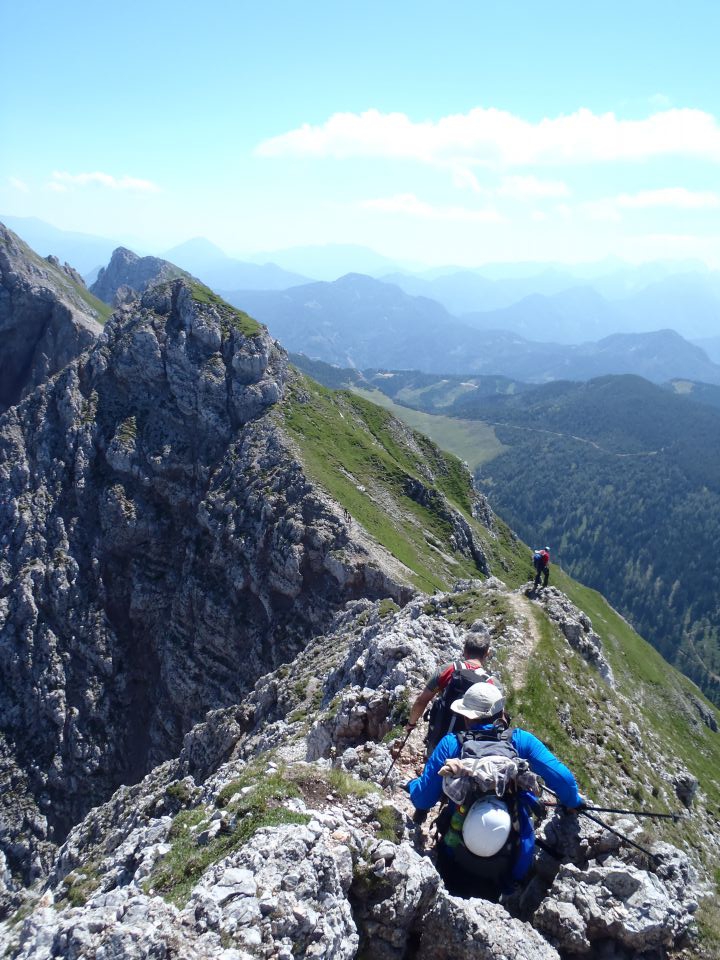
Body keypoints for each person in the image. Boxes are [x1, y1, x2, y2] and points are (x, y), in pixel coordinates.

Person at [405, 682, 584, 902]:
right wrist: (572, 802)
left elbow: (423, 798)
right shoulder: (521, 741)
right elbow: (564, 780)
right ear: (501, 714)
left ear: (467, 717)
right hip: (509, 864)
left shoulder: (452, 744)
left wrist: (413, 785)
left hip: (456, 851)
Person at [405, 635, 498, 757]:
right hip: (471, 748)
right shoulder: (491, 683)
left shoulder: (448, 670)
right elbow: (498, 719)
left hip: (440, 737)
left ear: (464, 650)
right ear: (487, 653)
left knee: (434, 770)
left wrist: (411, 723)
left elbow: (421, 701)